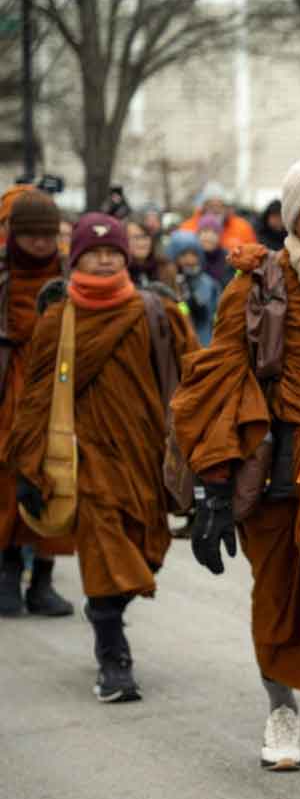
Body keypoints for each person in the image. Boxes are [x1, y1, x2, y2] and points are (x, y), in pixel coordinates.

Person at [171, 156, 300, 799]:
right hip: (277, 466)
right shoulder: (258, 282)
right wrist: (213, 484)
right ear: (293, 214)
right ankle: (282, 713)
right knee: (278, 594)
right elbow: (220, 380)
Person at [7, 213, 197, 700]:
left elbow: (198, 377)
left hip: (147, 458)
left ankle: (105, 610)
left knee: (145, 555)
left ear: (126, 256)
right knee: (104, 549)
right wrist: (27, 464)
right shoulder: (59, 319)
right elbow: (36, 396)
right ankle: (113, 658)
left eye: (112, 251)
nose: (105, 258)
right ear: (76, 260)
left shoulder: (157, 312)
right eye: (92, 253)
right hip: (85, 457)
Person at [0, 190, 75, 618]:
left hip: (58, 396)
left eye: (48, 234)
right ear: (13, 234)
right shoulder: (3, 279)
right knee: (10, 485)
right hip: (9, 392)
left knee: (58, 482)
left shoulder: (70, 279)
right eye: (30, 235)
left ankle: (43, 581)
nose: (41, 243)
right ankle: (8, 574)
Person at [166, 231, 222, 346]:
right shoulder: (168, 284)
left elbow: (218, 316)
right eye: (184, 255)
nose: (190, 260)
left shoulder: (209, 284)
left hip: (206, 344)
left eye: (194, 254)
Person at [179, 181, 258, 250]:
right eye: (211, 205)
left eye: (220, 205)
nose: (215, 209)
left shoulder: (242, 227)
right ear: (203, 206)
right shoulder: (188, 228)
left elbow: (253, 254)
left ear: (225, 206)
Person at [126, 218, 176, 291]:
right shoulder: (120, 272)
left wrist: (183, 303)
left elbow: (178, 298)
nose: (141, 243)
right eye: (136, 238)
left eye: (145, 237)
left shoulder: (165, 268)